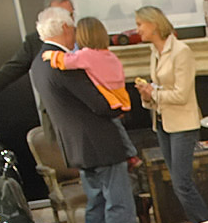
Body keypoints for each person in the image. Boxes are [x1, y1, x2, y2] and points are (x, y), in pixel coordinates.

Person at [30, 6, 136, 223]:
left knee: (96, 204)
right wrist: (119, 107)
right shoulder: (63, 65)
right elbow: (100, 105)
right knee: (119, 206)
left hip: (78, 147)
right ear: (66, 28)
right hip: (102, 145)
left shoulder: (39, 63)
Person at [133, 5, 208, 223]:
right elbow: (160, 90)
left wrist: (154, 93)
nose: (137, 29)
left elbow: (182, 94)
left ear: (154, 24)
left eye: (140, 24)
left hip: (183, 125)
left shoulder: (181, 51)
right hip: (162, 124)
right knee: (180, 183)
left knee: (182, 184)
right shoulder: (154, 53)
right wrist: (147, 95)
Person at [42, 16, 140, 165]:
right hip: (120, 95)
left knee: (115, 127)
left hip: (107, 98)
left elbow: (67, 62)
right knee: (117, 126)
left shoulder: (86, 55)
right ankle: (131, 153)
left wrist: (52, 55)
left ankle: (130, 154)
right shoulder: (110, 55)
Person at [0, 0, 74, 116]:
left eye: (70, 14)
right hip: (55, 114)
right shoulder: (35, 42)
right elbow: (10, 70)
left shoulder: (85, 36)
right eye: (61, 16)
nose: (68, 21)